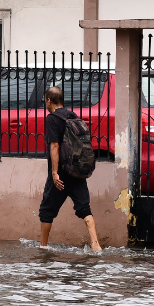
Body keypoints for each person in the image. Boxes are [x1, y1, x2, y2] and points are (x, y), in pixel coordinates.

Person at [39, 85, 102, 252]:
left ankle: (43, 247)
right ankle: (95, 244)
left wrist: (54, 173)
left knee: (46, 211)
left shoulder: (52, 119)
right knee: (84, 208)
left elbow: (54, 145)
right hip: (76, 171)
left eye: (45, 100)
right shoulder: (72, 116)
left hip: (61, 174)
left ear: (49, 100)